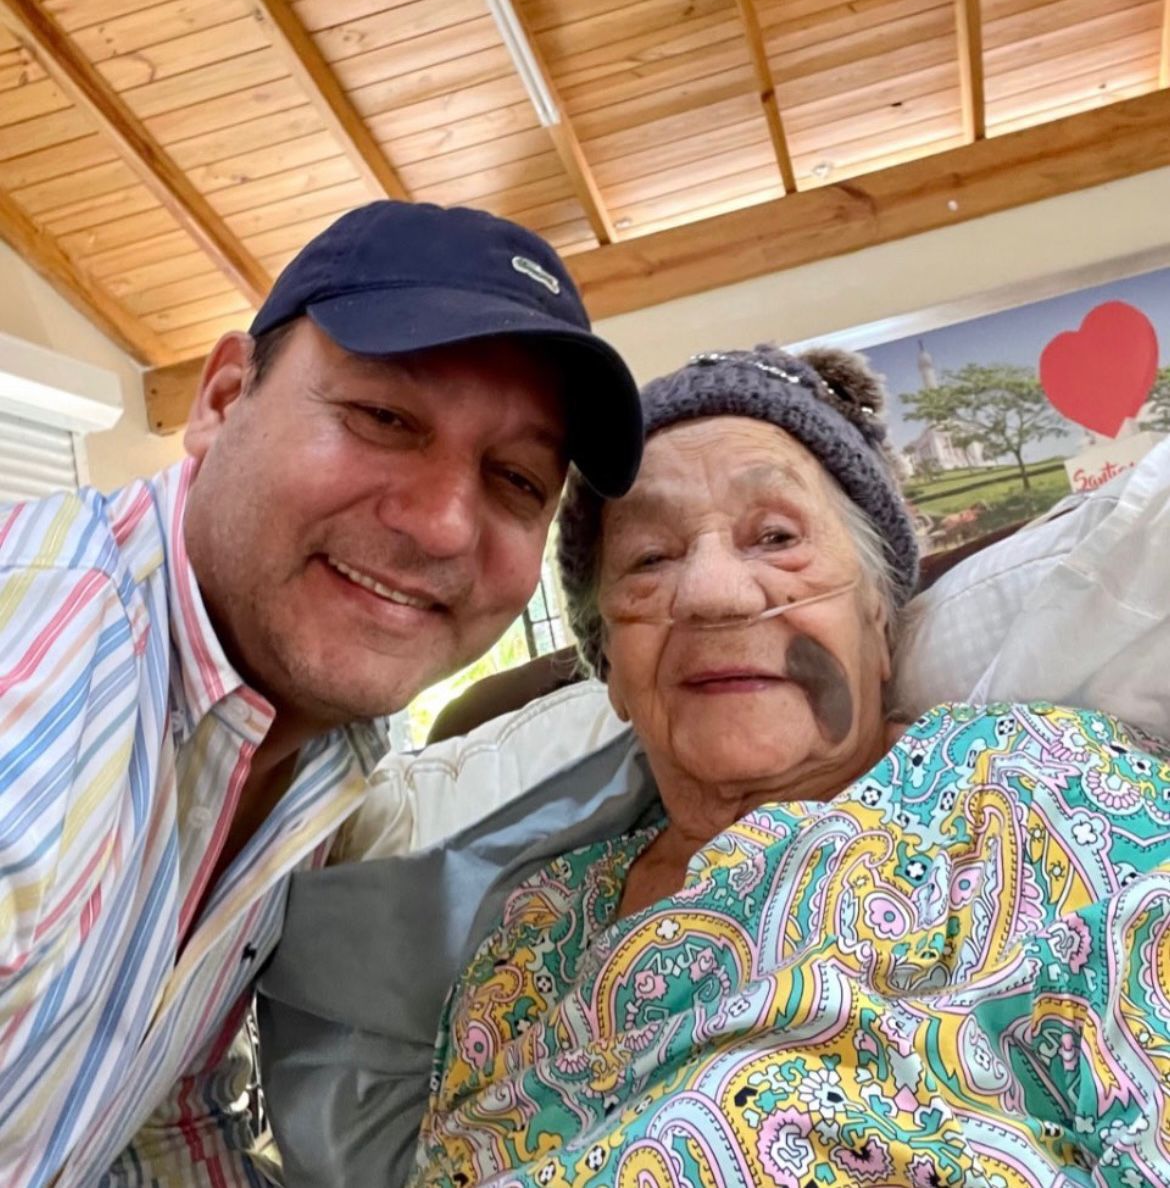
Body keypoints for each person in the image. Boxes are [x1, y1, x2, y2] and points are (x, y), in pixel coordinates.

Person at [260, 344, 1170, 1188]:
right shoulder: (533, 934)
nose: (712, 594)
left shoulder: (1039, 786)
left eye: (775, 538)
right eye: (650, 558)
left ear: (880, 619)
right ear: (614, 675)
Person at [0, 200, 643, 1187]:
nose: (443, 525)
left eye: (516, 477)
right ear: (222, 398)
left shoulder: (328, 759)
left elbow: (156, 1115)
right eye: (385, 418)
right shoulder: (48, 647)